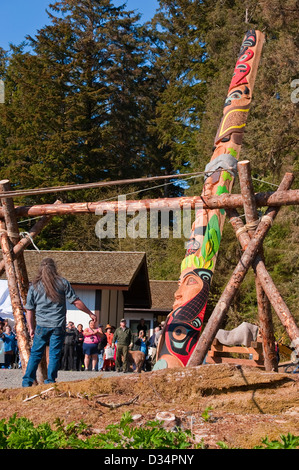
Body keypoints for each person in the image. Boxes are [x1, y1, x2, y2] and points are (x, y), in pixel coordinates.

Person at [22, 257, 97, 387]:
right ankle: (50, 381)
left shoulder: (34, 286)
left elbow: (29, 309)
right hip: (58, 325)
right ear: (54, 268)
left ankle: (27, 381)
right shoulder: (62, 283)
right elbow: (76, 301)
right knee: (54, 354)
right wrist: (90, 313)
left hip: (41, 325)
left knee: (35, 353)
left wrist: (31, 327)